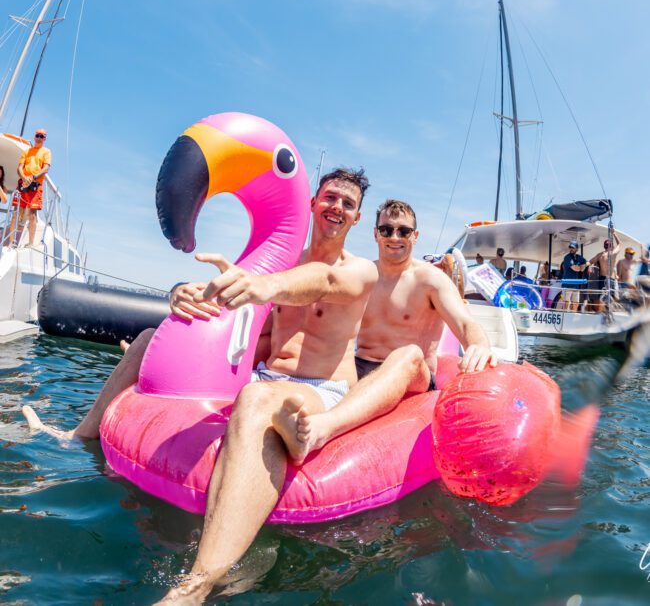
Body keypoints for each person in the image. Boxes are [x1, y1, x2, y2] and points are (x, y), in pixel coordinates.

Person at [24, 173, 495, 602]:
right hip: (274, 376)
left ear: (356, 218)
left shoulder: (361, 272)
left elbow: (323, 280)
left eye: (347, 203)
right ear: (313, 203)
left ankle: (197, 584)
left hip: (327, 386)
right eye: (330, 197)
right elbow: (232, 286)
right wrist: (182, 293)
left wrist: (265, 287)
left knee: (265, 396)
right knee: (155, 342)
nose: (337, 207)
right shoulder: (282, 260)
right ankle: (79, 435)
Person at [8, 128, 51, 247]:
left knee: (32, 214)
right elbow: (20, 167)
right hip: (23, 184)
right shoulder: (27, 152)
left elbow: (45, 168)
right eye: (38, 135)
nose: (39, 138)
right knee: (16, 212)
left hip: (35, 186)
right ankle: (11, 241)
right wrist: (24, 177)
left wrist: (33, 177)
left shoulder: (46, 152)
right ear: (34, 136)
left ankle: (31, 242)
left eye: (42, 136)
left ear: (44, 139)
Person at [588, 231, 621, 307]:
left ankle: (602, 311)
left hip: (603, 279)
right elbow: (619, 244)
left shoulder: (600, 255)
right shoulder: (613, 253)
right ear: (611, 246)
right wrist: (614, 234)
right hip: (610, 279)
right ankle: (608, 311)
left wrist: (585, 266)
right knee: (611, 298)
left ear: (604, 246)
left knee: (602, 297)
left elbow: (590, 262)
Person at [559, 241, 587, 312]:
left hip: (575, 285)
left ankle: (572, 315)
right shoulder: (567, 257)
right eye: (570, 247)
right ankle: (565, 315)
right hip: (567, 284)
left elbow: (583, 267)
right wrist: (580, 267)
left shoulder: (579, 257)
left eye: (573, 248)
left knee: (576, 303)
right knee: (566, 302)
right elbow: (576, 268)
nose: (571, 249)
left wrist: (581, 267)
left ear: (577, 249)